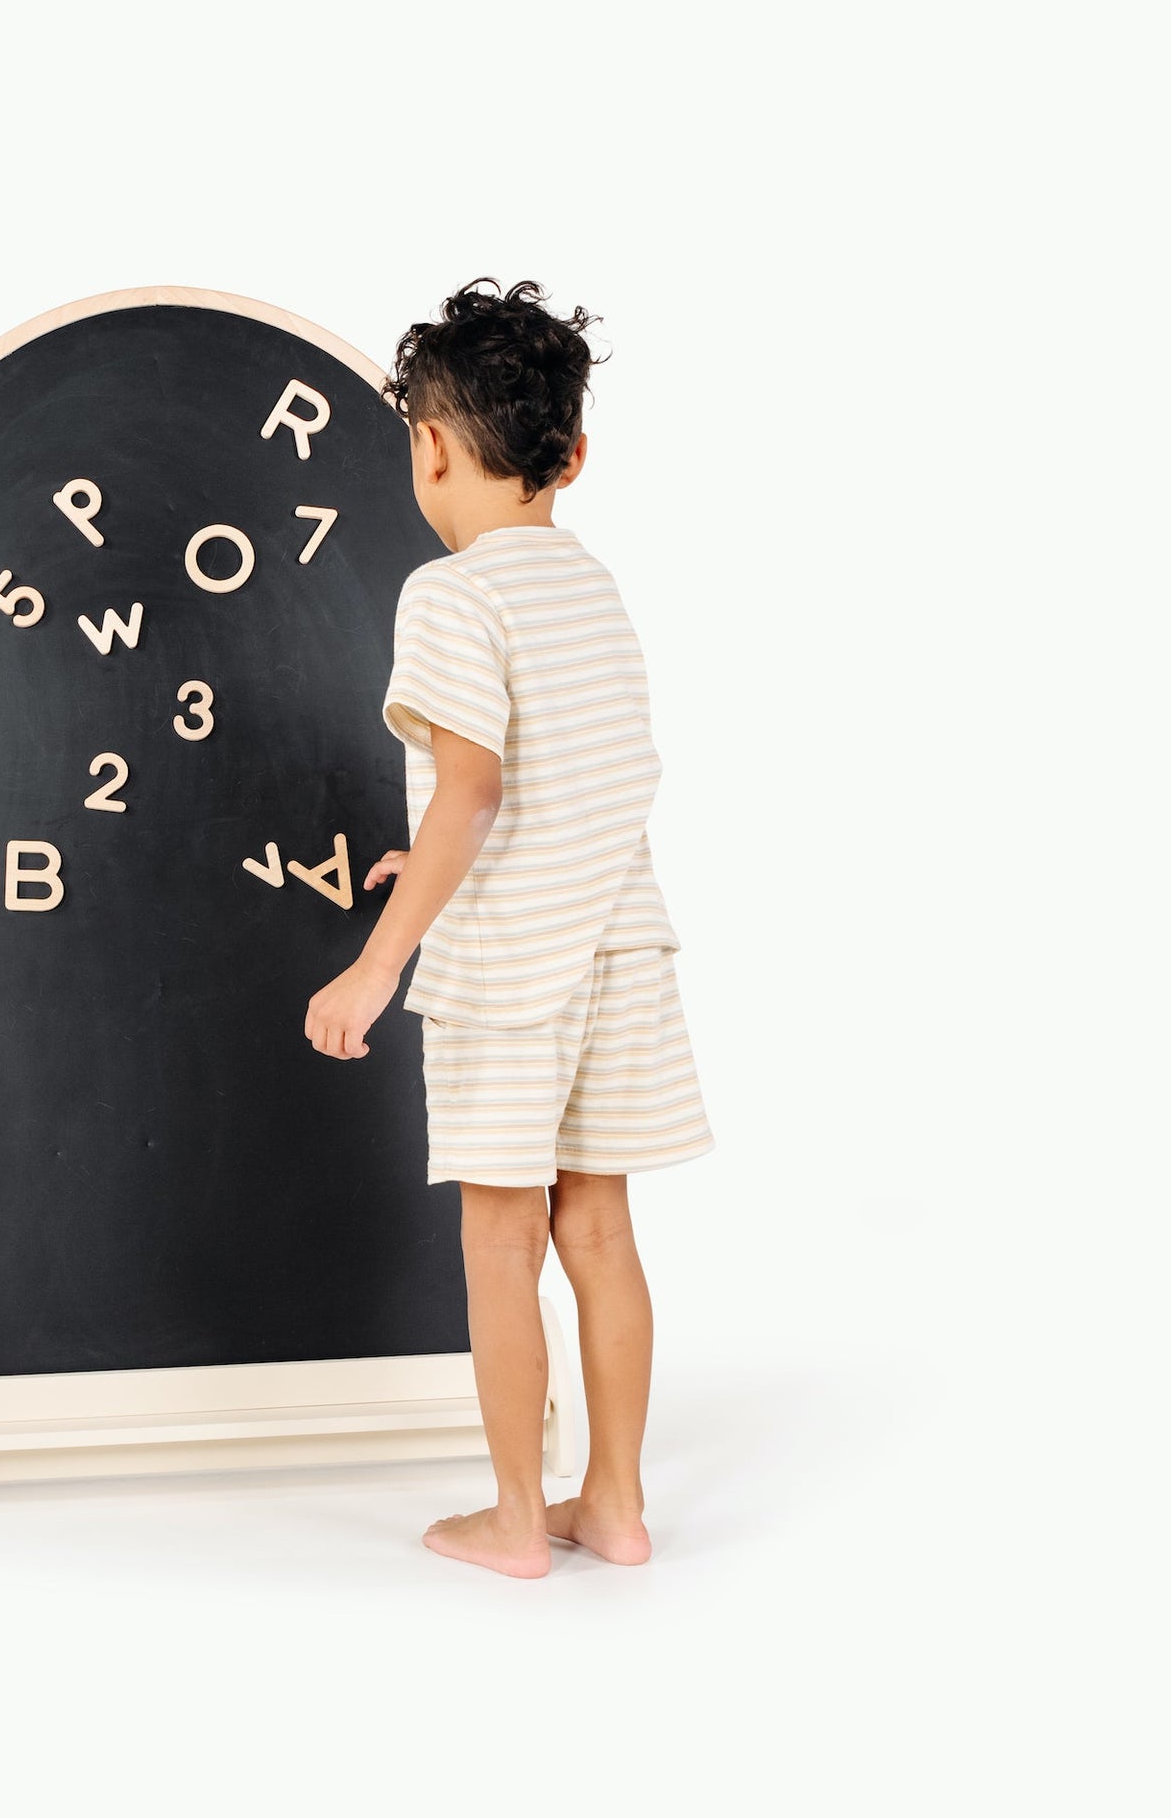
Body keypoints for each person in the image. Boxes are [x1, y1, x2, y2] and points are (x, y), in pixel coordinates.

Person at [303, 277, 715, 1579]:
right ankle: (617, 1503)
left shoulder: (450, 593)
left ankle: (515, 1516)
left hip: (510, 968)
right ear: (571, 454)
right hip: (622, 944)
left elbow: (474, 789)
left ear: (428, 445)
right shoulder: (591, 586)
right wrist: (421, 859)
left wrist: (379, 962)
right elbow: (562, 782)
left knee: (502, 1239)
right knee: (600, 1231)